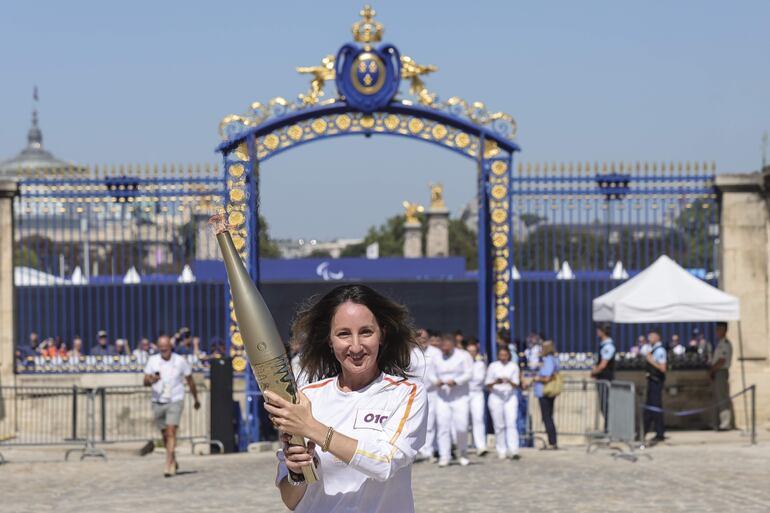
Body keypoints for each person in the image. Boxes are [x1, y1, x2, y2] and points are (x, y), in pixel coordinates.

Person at [262, 284, 427, 513]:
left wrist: (312, 428)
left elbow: (384, 462)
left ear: (382, 334)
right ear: (330, 341)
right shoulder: (307, 398)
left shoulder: (406, 393)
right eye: (344, 334)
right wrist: (297, 472)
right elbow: (291, 501)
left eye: (366, 332)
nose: (356, 346)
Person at [143, 334, 200, 477]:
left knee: (171, 432)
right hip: (158, 400)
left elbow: (190, 380)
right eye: (161, 348)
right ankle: (173, 458)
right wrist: (151, 380)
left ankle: (168, 464)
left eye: (166, 348)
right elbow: (144, 381)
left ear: (171, 347)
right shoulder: (153, 361)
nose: (163, 351)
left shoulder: (180, 361)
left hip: (175, 399)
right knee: (164, 434)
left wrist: (196, 399)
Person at [428, 332, 472, 467]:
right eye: (442, 346)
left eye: (447, 346)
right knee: (443, 426)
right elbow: (431, 374)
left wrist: (457, 381)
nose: (444, 349)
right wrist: (437, 381)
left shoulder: (464, 356)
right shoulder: (436, 357)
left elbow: (469, 373)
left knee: (462, 426)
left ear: (453, 345)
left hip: (460, 396)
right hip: (442, 396)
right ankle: (444, 455)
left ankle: (462, 451)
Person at [485, 345, 521, 460]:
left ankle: (513, 449)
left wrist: (508, 380)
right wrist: (497, 381)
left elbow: (516, 383)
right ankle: (501, 449)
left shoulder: (513, 366)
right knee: (499, 425)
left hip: (510, 397)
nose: (503, 357)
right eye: (501, 355)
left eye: (505, 355)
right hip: (496, 396)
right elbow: (487, 384)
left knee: (511, 423)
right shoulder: (493, 366)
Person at [417, 330, 442, 462]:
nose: (423, 340)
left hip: (434, 392)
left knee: (432, 422)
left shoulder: (436, 352)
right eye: (420, 338)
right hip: (417, 394)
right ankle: (422, 449)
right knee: (420, 421)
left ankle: (431, 449)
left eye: (425, 338)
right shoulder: (411, 353)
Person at [532, 340, 559, 450]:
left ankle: (552, 441)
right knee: (549, 416)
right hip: (549, 392)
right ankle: (552, 441)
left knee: (547, 417)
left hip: (545, 391)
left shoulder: (548, 360)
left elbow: (547, 377)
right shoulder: (555, 359)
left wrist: (536, 378)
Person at [643, 329, 667, 443]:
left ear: (658, 337)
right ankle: (644, 431)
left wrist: (651, 360)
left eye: (651, 336)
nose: (649, 338)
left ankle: (659, 433)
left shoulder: (660, 350)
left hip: (656, 382)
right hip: (651, 381)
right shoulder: (652, 349)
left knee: (655, 407)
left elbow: (663, 368)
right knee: (649, 407)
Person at [590, 323, 615, 431]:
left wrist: (594, 372)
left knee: (606, 405)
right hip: (602, 379)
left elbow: (603, 365)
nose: (597, 332)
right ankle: (607, 428)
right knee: (603, 405)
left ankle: (609, 429)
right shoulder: (602, 345)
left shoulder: (608, 346)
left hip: (606, 378)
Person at [466, 340, 488, 456]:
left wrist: (464, 379)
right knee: (462, 421)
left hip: (476, 394)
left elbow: (479, 380)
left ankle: (481, 446)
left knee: (478, 418)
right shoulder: (461, 364)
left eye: (473, 351)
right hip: (463, 394)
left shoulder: (480, 365)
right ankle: (462, 447)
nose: (471, 354)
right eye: (469, 351)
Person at [709, 322, 733, 430]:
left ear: (724, 330)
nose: (717, 331)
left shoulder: (725, 344)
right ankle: (716, 422)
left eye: (719, 329)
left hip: (721, 372)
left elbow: (722, 361)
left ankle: (725, 423)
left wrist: (712, 371)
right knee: (717, 398)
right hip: (717, 372)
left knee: (722, 398)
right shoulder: (720, 343)